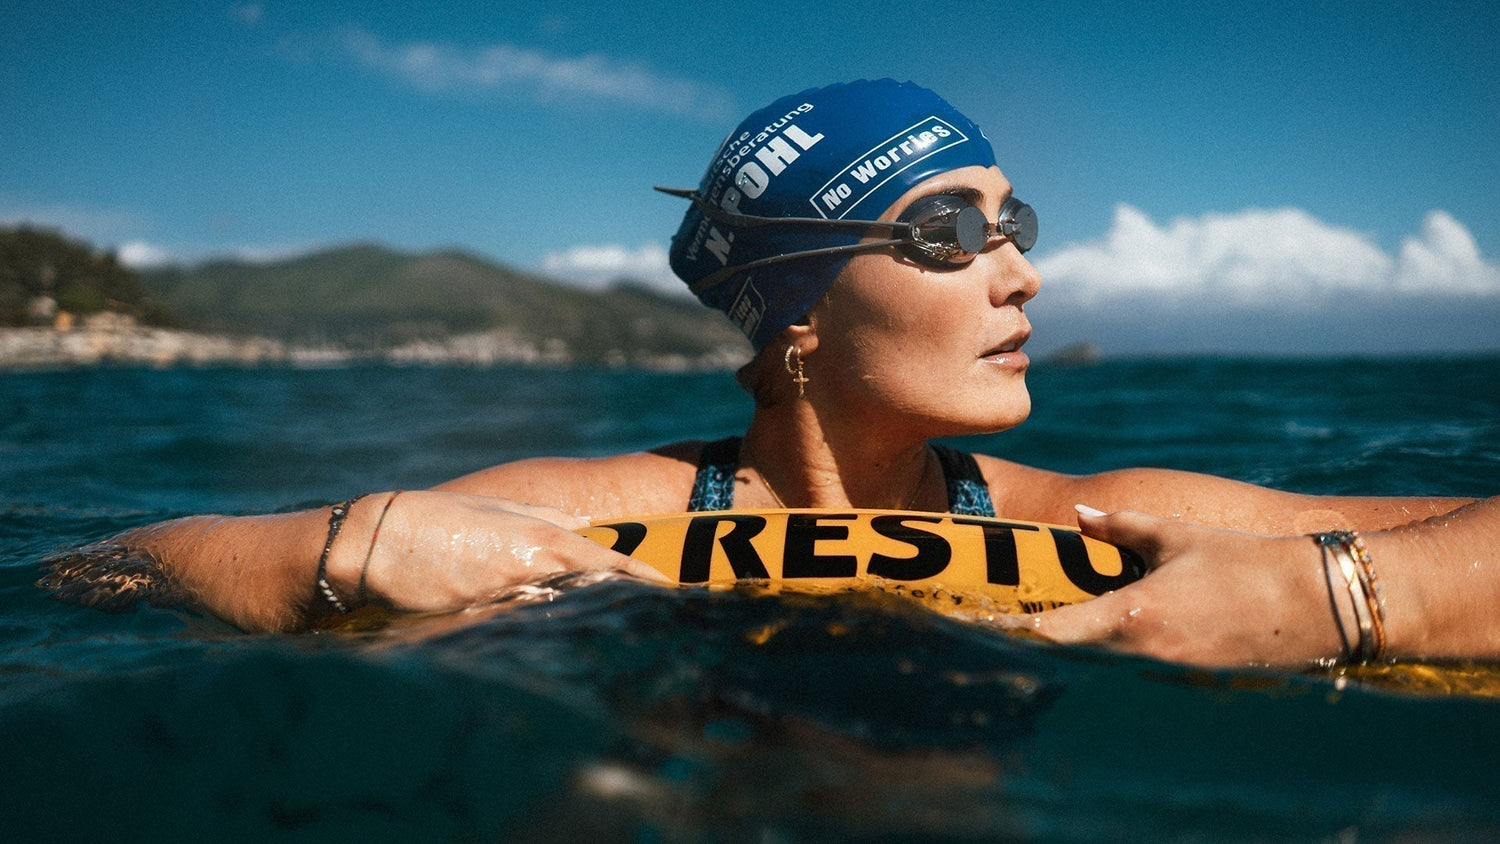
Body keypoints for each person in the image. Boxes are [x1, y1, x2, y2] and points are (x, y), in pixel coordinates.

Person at [44, 80, 1497, 667]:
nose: (1022, 272)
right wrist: (352, 545)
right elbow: (94, 574)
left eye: (1016, 226)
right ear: (796, 317)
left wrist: (1338, 590)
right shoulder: (589, 504)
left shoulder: (1100, 520)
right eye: (948, 234)